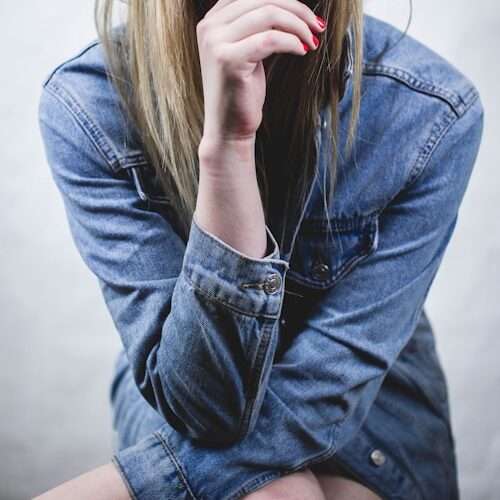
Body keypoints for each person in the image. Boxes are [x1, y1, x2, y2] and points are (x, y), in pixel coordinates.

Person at [35, 0, 484, 498]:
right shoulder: (89, 103)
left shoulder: (430, 110)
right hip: (179, 400)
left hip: (366, 413)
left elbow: (324, 391)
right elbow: (203, 409)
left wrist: (129, 486)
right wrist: (227, 148)